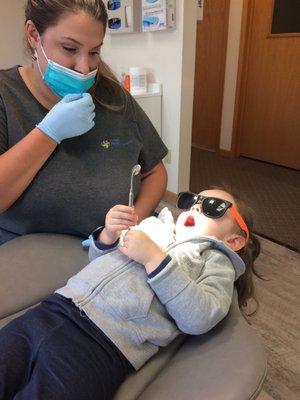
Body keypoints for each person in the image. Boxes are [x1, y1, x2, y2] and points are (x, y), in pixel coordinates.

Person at [0, 188, 261, 399]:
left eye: (212, 207)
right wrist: (108, 235)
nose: (194, 207)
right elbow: (97, 260)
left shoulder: (215, 262)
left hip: (100, 347)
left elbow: (201, 317)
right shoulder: (153, 226)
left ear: (234, 240)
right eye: (191, 199)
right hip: (53, 309)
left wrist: (155, 260)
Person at [0, 0, 168, 245]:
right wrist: (49, 132)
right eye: (69, 48)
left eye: (94, 52)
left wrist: (124, 232)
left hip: (109, 253)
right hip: (27, 260)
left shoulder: (113, 97)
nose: (84, 68)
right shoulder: (6, 96)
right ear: (34, 35)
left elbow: (155, 171)